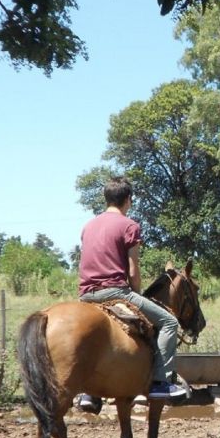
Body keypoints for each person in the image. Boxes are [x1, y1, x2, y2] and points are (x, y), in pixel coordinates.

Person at [75, 176, 187, 413]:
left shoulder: (88, 226)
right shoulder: (129, 226)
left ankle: (87, 393)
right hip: (115, 292)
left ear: (106, 199)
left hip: (85, 294)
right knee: (169, 321)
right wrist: (137, 295)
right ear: (128, 200)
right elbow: (133, 270)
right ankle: (161, 383)